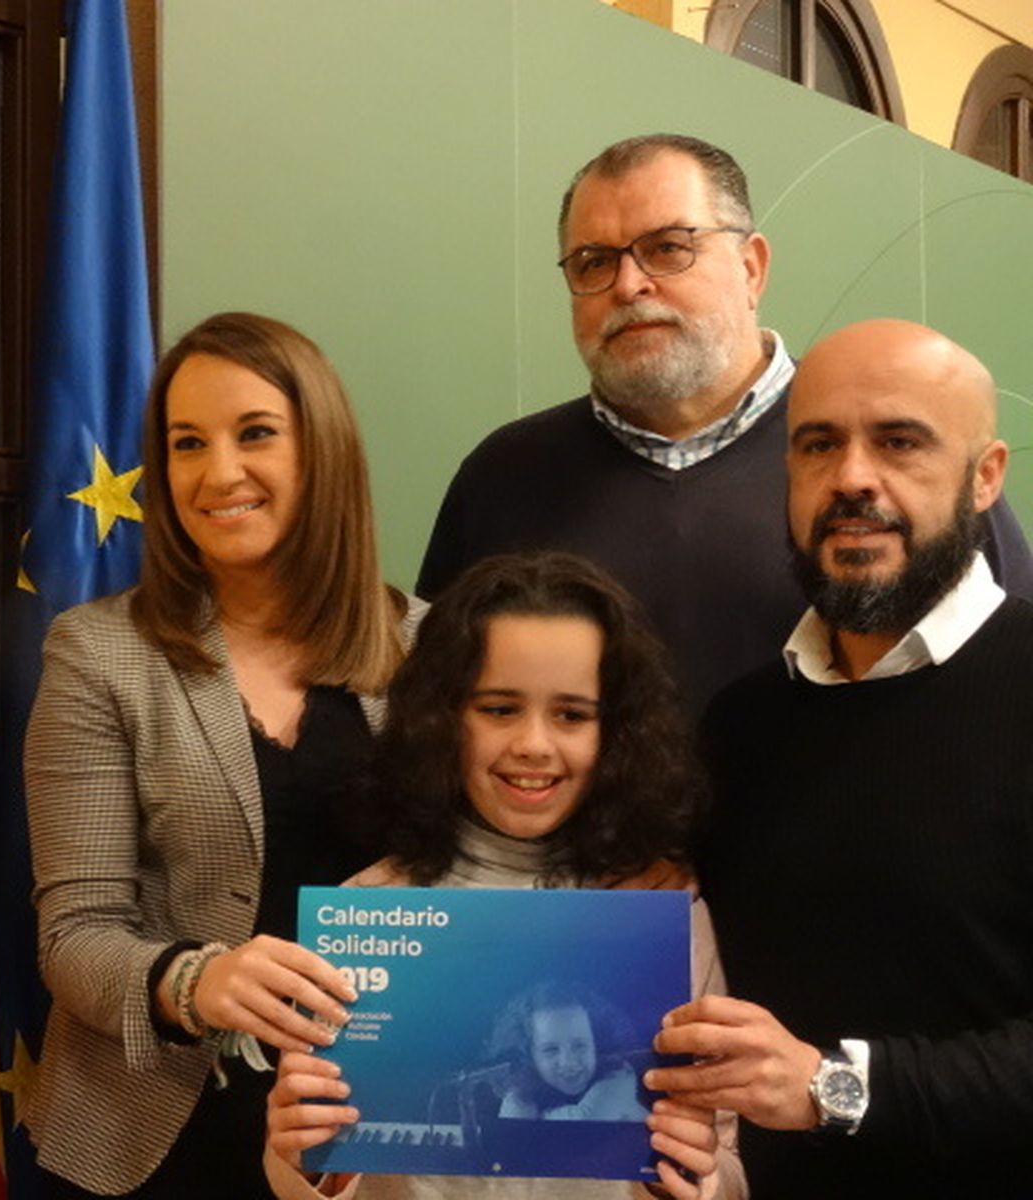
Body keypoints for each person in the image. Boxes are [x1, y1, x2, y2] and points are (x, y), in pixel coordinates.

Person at [416, 133, 1033, 713]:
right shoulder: (503, 477)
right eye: (592, 261)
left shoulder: (895, 468)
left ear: (751, 268)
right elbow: (433, 709)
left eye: (668, 248)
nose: (629, 285)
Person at [23, 311, 421, 1198]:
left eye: (256, 435)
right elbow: (73, 933)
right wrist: (193, 981)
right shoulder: (97, 654)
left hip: (369, 1138)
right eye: (187, 443)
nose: (220, 472)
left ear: (322, 450)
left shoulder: (426, 649)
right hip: (154, 1140)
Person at [650, 319, 1033, 1197]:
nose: (853, 478)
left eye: (900, 441)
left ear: (985, 478)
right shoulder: (740, 726)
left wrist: (832, 1086)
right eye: (818, 445)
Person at [265, 552, 745, 1200]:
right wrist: (303, 1161)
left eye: (572, 715)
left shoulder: (665, 917)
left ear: (618, 733)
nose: (534, 745)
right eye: (498, 709)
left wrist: (695, 1182)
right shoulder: (369, 910)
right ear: (444, 716)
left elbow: (726, 1160)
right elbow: (323, 1170)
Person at [490, 982, 647, 1123]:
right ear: (528, 1056)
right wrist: (516, 1101)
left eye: (579, 1045)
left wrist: (525, 1115)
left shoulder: (619, 1077)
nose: (568, 1062)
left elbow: (583, 1121)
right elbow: (510, 1144)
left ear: (598, 1044)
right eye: (551, 1050)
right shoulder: (527, 1090)